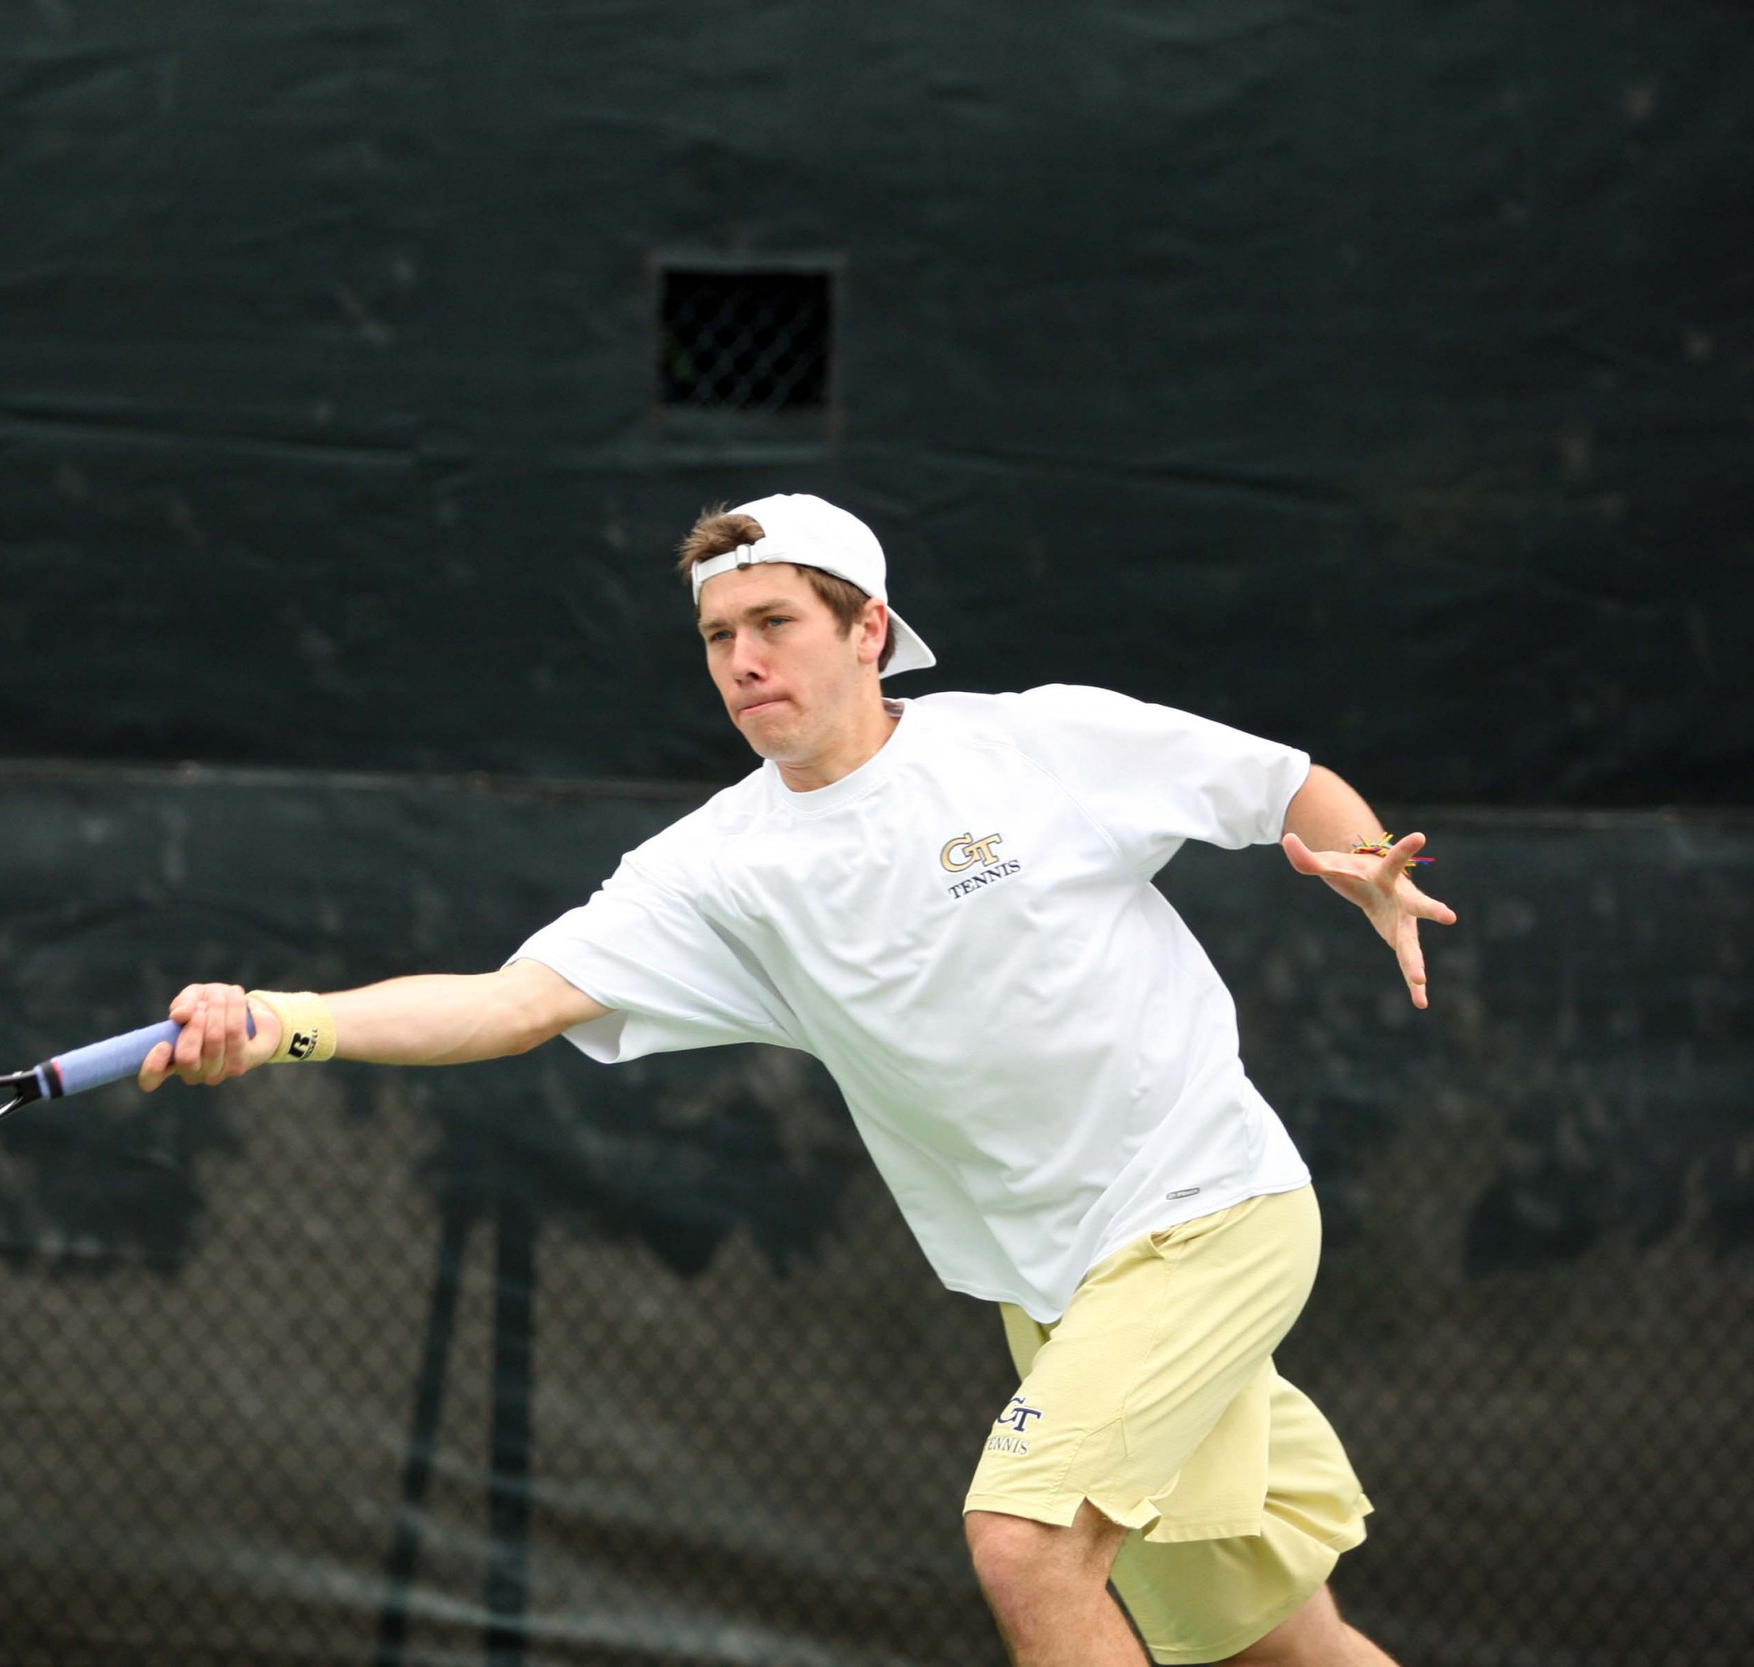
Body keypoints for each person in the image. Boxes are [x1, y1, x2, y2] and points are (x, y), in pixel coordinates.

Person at [135, 494, 1453, 1666]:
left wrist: (1363, 867)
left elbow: (1284, 784)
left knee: (1024, 1545)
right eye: (718, 636)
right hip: (1053, 1287)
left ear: (868, 628)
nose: (744, 660)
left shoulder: (1033, 745)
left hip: (1210, 1213)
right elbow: (512, 1001)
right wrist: (284, 1020)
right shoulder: (718, 869)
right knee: (1274, 1642)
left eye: (775, 621)